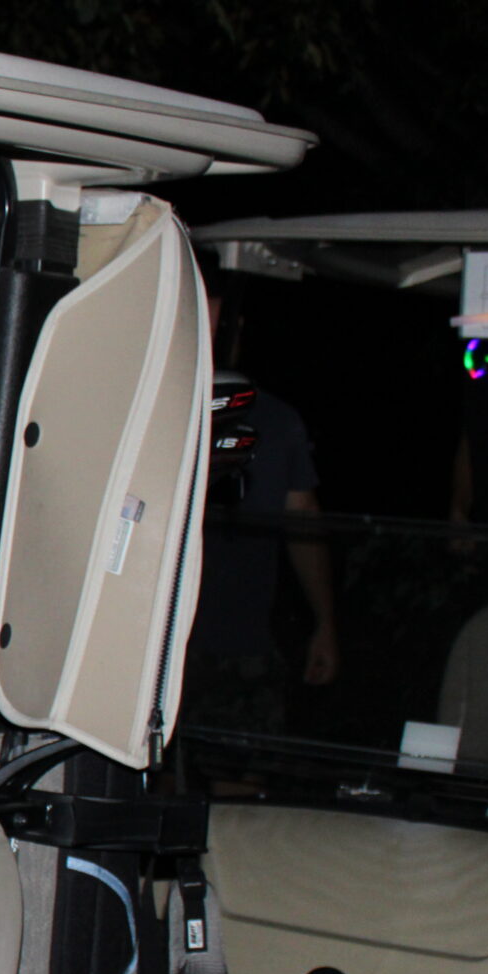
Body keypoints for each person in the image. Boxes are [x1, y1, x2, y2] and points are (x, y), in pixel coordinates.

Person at [188, 289, 338, 734]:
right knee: (156, 781)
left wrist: (326, 623)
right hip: (160, 643)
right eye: (201, 323)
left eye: (221, 326)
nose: (212, 338)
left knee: (241, 782)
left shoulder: (277, 420)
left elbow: (303, 521)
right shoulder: (147, 412)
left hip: (244, 647)